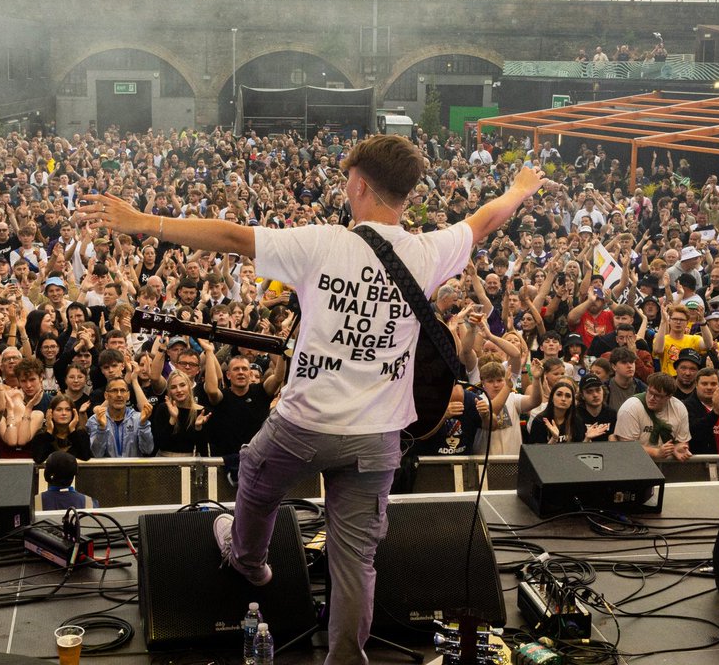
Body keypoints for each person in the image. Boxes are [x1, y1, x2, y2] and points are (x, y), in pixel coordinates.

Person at [76, 136, 551, 665]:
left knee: (254, 473)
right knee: (356, 561)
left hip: (304, 426)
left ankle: (249, 559)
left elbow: (234, 238)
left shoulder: (323, 243)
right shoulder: (426, 252)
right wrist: (519, 188)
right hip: (377, 440)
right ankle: (346, 658)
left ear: (360, 185)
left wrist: (144, 221)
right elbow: (483, 221)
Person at [612, 372, 692, 462]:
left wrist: (679, 448)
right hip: (634, 464)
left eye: (658, 396)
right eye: (650, 392)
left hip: (667, 466)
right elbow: (627, 447)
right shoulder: (630, 408)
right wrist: (656, 452)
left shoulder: (679, 408)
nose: (651, 398)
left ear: (669, 397)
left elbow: (682, 441)